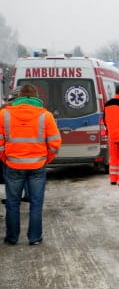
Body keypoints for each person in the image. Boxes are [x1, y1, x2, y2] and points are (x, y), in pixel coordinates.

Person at [0, 83, 61, 245]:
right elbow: (55, 142)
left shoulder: (4, 114)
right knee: (36, 203)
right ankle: (34, 238)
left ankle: (12, 238)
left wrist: (4, 157)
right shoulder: (45, 116)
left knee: (12, 203)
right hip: (37, 166)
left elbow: (0, 141)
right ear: (36, 97)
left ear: (19, 97)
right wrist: (46, 159)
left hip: (13, 165)